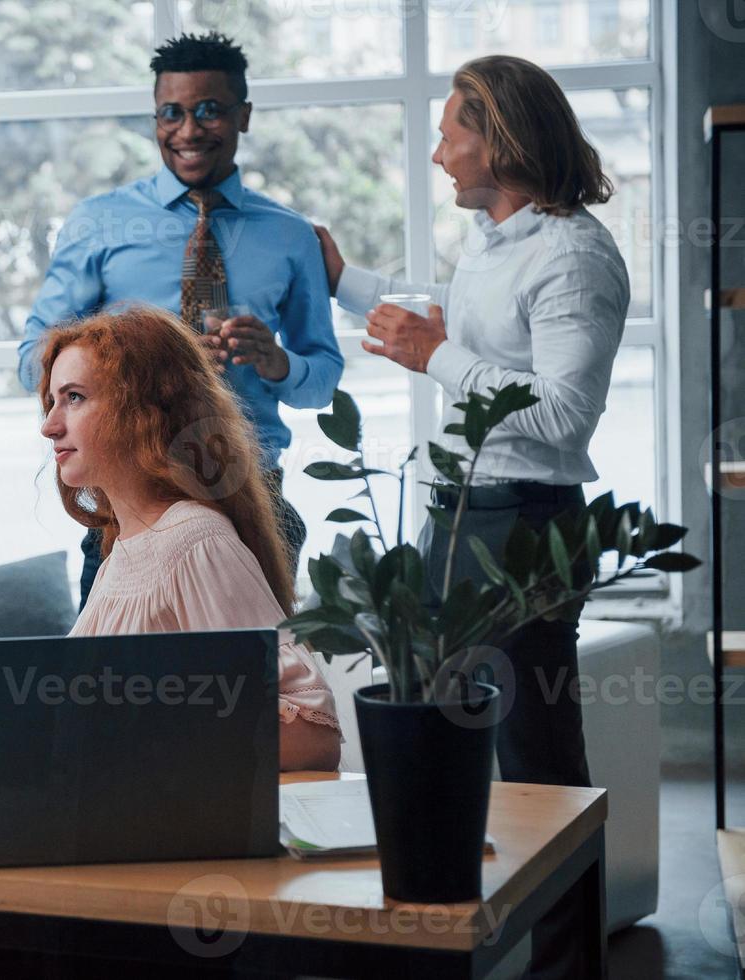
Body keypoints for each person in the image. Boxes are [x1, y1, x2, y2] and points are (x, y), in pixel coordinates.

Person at [0, 306, 340, 980]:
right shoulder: (125, 545)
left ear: (144, 412)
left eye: (75, 399)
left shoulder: (194, 540)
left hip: (152, 899)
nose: (49, 425)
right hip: (98, 862)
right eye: (51, 400)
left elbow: (313, 729)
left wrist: (128, 737)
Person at [315, 55, 627, 980]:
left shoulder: (574, 253)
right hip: (457, 520)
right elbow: (467, 319)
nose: (440, 151)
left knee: (537, 770)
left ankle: (568, 971)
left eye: (453, 131)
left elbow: (564, 412)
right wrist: (348, 282)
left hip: (524, 526)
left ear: (504, 139)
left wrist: (439, 358)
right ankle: (453, 952)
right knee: (448, 755)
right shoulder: (496, 238)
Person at [17, 31, 342, 607]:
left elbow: (322, 381)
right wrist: (129, 368)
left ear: (243, 115)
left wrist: (275, 360)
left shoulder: (291, 236)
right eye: (172, 112)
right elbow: (31, 363)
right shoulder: (101, 223)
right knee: (117, 685)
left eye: (210, 111)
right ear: (155, 117)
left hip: (253, 491)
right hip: (130, 496)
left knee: (256, 682)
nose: (189, 130)